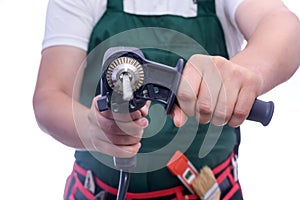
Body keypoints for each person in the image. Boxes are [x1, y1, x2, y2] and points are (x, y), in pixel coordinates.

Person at [33, 0, 300, 199]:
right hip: (95, 191)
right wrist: (93, 131)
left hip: (208, 190)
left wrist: (241, 74)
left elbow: (281, 25)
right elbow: (50, 96)